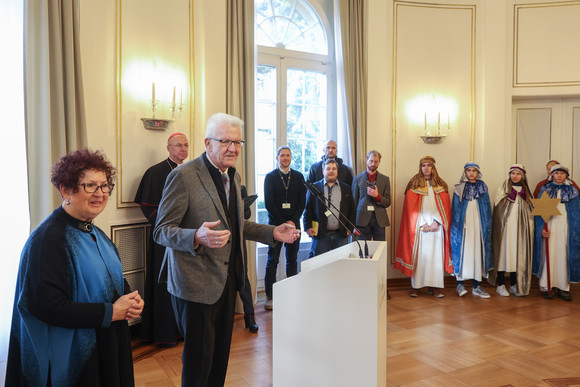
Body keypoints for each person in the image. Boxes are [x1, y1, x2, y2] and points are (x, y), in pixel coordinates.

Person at [153, 113, 300, 386]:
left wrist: (272, 232)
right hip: (195, 285)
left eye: (237, 142)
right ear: (208, 143)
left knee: (219, 361)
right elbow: (161, 230)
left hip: (227, 281)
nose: (233, 148)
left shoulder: (233, 175)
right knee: (198, 365)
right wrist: (196, 236)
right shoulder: (183, 176)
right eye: (225, 141)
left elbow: (237, 224)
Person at [6, 149, 144, 387]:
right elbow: (47, 306)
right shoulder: (48, 239)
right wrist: (112, 312)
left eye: (104, 186)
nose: (99, 194)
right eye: (90, 186)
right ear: (66, 190)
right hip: (72, 361)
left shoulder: (94, 233)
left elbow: (112, 279)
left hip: (106, 347)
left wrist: (131, 299)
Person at [134, 132, 188, 346]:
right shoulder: (155, 172)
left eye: (185, 145)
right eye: (178, 145)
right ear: (168, 148)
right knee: (163, 284)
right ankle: (164, 333)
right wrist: (167, 225)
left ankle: (182, 330)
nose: (182, 149)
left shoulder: (191, 171)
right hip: (164, 238)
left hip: (186, 238)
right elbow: (146, 206)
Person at [394, 156, 452, 298]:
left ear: (433, 167)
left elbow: (445, 208)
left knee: (436, 258)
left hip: (436, 229)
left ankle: (435, 287)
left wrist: (436, 223)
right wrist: (423, 223)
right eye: (423, 165)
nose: (426, 168)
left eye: (429, 165)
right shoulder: (414, 184)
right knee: (420, 258)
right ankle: (417, 286)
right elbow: (411, 209)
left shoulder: (440, 184)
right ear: (420, 167)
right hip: (420, 228)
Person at [263, 145, 307, 311]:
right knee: (272, 260)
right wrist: (284, 223)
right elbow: (269, 204)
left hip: (295, 224)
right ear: (277, 158)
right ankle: (270, 296)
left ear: (291, 158)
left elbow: (302, 201)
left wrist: (293, 221)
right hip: (275, 224)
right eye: (282, 155)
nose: (285, 158)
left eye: (288, 155)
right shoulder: (270, 177)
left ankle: (291, 293)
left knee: (292, 260)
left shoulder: (299, 176)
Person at [532, 164, 580, 300]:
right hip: (550, 227)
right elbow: (539, 214)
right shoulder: (545, 189)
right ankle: (548, 286)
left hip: (566, 227)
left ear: (566, 175)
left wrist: (574, 230)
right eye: (557, 173)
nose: (559, 176)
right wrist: (542, 228)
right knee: (549, 254)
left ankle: (563, 287)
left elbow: (576, 213)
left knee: (563, 254)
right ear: (552, 174)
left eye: (562, 173)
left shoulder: (572, 191)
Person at [488, 164, 534, 296]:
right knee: (503, 255)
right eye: (513, 173)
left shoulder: (527, 193)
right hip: (505, 230)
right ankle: (501, 284)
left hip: (520, 230)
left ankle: (514, 284)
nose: (515, 176)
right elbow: (498, 213)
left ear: (523, 176)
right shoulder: (502, 190)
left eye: (518, 174)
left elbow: (530, 213)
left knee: (516, 256)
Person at [352, 150, 391, 299]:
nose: (373, 164)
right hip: (361, 222)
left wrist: (378, 196)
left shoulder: (385, 179)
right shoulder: (357, 179)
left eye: (376, 161)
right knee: (363, 254)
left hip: (379, 221)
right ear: (366, 160)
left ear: (379, 162)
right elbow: (353, 203)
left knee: (380, 255)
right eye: (371, 161)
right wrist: (353, 225)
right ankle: (363, 287)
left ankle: (382, 287)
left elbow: (388, 201)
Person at [450, 162, 493, 298]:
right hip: (464, 227)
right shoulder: (459, 188)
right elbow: (456, 210)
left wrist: (484, 226)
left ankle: (477, 286)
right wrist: (459, 225)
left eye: (474, 170)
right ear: (465, 172)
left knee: (477, 254)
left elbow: (486, 209)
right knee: (463, 252)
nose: (471, 173)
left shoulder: (483, 187)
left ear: (477, 172)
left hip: (478, 226)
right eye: (468, 170)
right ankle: (460, 284)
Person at [304, 158, 356, 257]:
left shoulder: (346, 188)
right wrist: (308, 227)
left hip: (341, 235)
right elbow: (308, 209)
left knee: (340, 264)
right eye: (328, 169)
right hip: (320, 234)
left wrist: (350, 228)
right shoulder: (314, 187)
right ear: (323, 171)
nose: (331, 171)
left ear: (337, 171)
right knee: (319, 264)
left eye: (334, 169)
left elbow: (352, 210)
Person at [240, 185, 259, 332]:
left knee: (243, 278)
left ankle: (250, 317)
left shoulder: (241, 188)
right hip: (217, 240)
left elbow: (247, 216)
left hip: (239, 241)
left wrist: (244, 206)